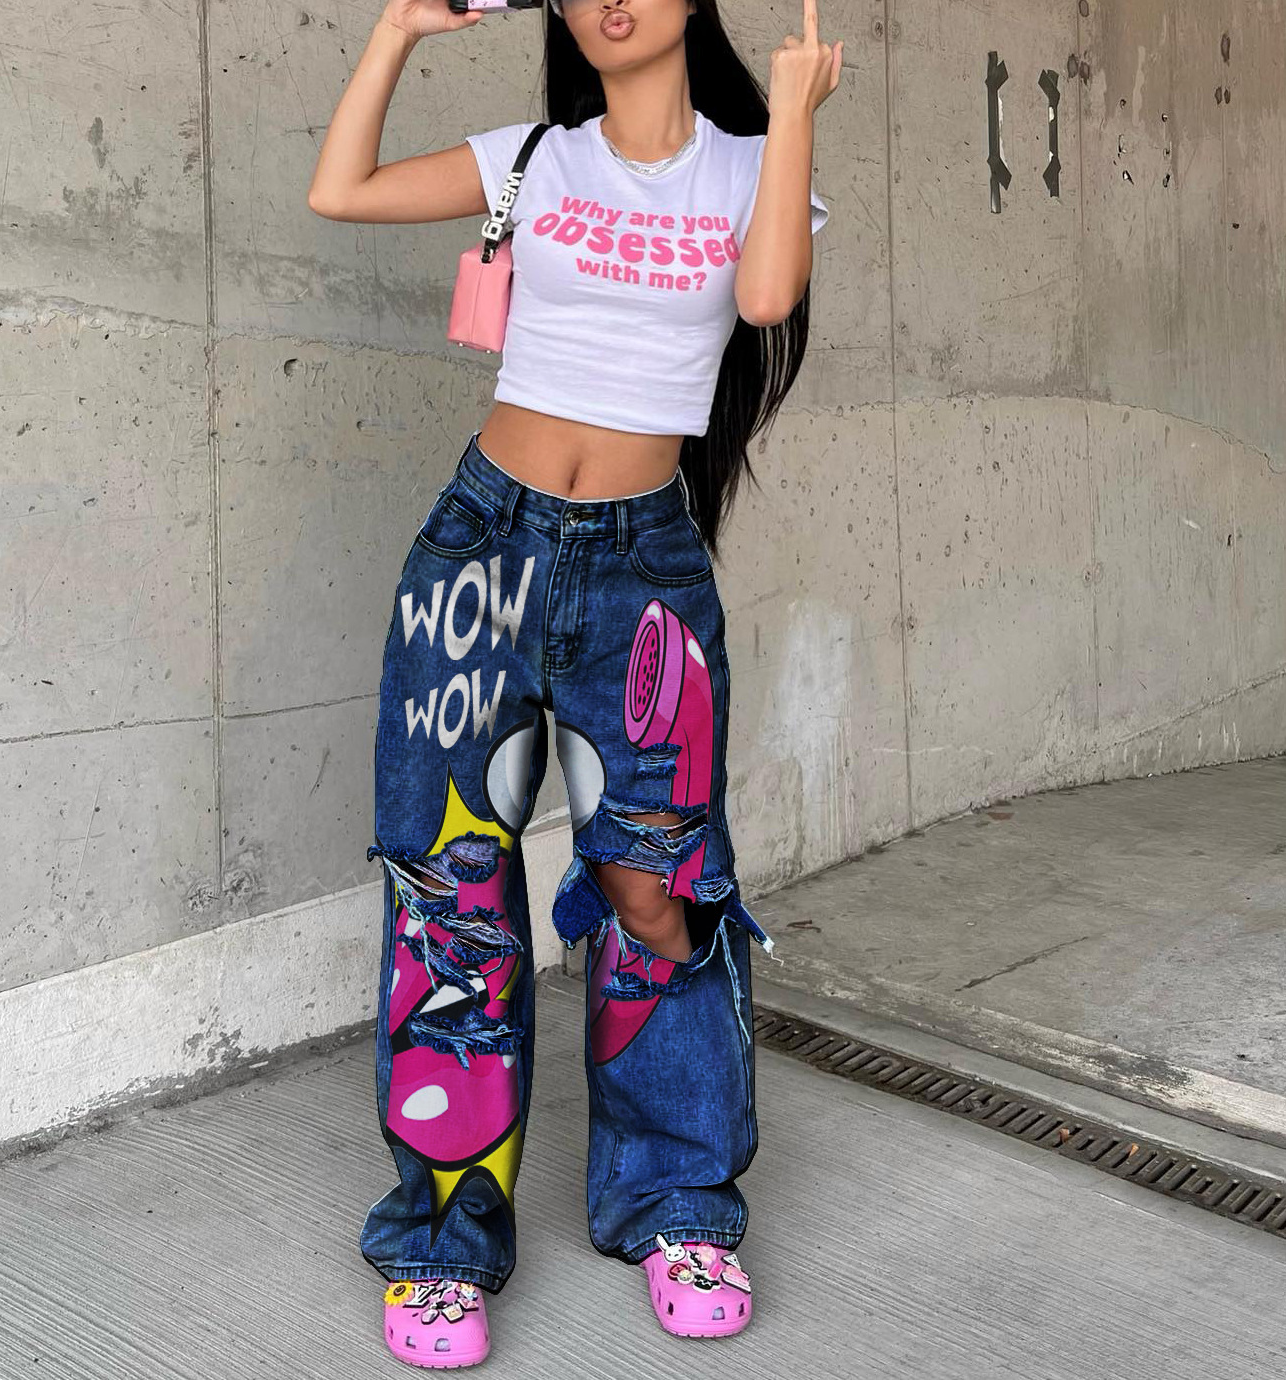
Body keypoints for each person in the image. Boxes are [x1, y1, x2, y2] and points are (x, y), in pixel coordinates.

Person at [309, 0, 841, 1366]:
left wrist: (793, 111)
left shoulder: (751, 163)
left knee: (657, 890)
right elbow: (340, 189)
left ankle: (678, 1209)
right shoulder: (531, 157)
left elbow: (766, 299)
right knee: (450, 895)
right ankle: (440, 1240)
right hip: (478, 553)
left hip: (644, 573)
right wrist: (398, 29)